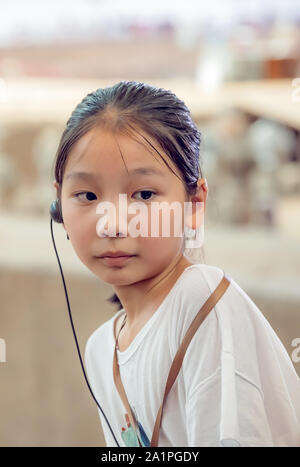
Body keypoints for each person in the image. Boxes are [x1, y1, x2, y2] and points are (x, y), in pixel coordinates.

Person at [52, 81, 300, 447]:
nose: (113, 223)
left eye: (144, 194)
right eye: (87, 195)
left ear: (194, 203)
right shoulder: (101, 348)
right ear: (57, 205)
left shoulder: (201, 302)